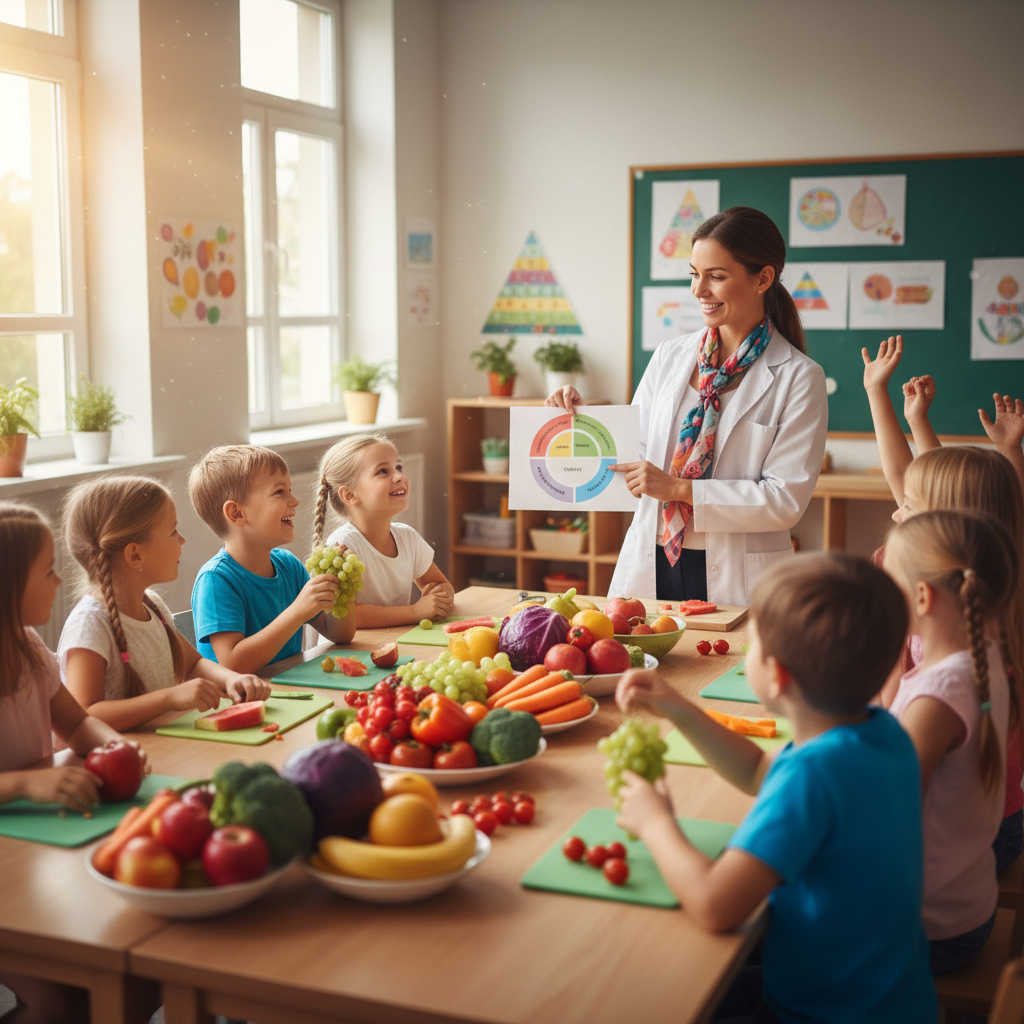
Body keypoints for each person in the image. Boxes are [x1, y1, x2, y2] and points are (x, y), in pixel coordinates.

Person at [615, 552, 937, 1024]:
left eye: (753, 645)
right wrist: (680, 709)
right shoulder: (881, 734)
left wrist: (656, 823)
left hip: (826, 1013)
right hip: (890, 1001)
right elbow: (756, 770)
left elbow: (714, 905)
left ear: (777, 675)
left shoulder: (813, 775)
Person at [547, 207, 828, 605]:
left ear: (763, 279)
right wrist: (581, 420)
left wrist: (680, 489)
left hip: (737, 577)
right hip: (652, 561)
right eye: (695, 274)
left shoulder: (799, 376)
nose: (699, 290)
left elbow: (784, 501)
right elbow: (631, 458)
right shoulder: (670, 355)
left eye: (716, 276)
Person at [864, 350, 1024, 871]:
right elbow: (992, 506)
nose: (897, 510)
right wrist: (909, 416)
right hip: (989, 817)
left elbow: (892, 779)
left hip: (969, 838)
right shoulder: (987, 587)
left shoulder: (952, 641)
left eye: (909, 506)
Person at [0, 501, 149, 1024]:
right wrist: (24, 786)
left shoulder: (29, 648)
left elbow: (79, 724)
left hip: (33, 843)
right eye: (47, 571)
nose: (59, 580)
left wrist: (113, 745)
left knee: (129, 983)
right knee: (62, 1006)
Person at [884, 509, 1015, 974]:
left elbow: (887, 814)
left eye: (888, 581)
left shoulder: (937, 699)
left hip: (930, 927)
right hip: (963, 906)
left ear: (922, 597)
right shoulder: (979, 658)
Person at [58, 476, 272, 731]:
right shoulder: (90, 624)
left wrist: (231, 679)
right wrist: (169, 698)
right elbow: (85, 715)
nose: (182, 540)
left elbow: (193, 665)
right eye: (172, 532)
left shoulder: (152, 605)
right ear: (135, 554)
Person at [188, 445, 356, 674]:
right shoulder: (216, 580)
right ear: (237, 513)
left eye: (290, 490)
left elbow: (339, 635)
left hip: (286, 687)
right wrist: (298, 612)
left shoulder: (289, 565)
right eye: (279, 492)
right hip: (236, 694)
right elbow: (234, 664)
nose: (294, 500)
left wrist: (343, 587)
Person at [312, 433, 455, 627]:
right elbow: (347, 615)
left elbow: (441, 584)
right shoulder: (343, 546)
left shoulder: (408, 538)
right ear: (350, 495)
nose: (399, 476)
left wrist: (440, 596)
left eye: (398, 467)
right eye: (382, 471)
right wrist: (415, 611)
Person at [862, 333, 1024, 503]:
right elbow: (926, 482)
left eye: (908, 506)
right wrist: (916, 417)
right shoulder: (945, 511)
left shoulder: (942, 514)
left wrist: (876, 390)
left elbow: (909, 477)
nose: (896, 514)